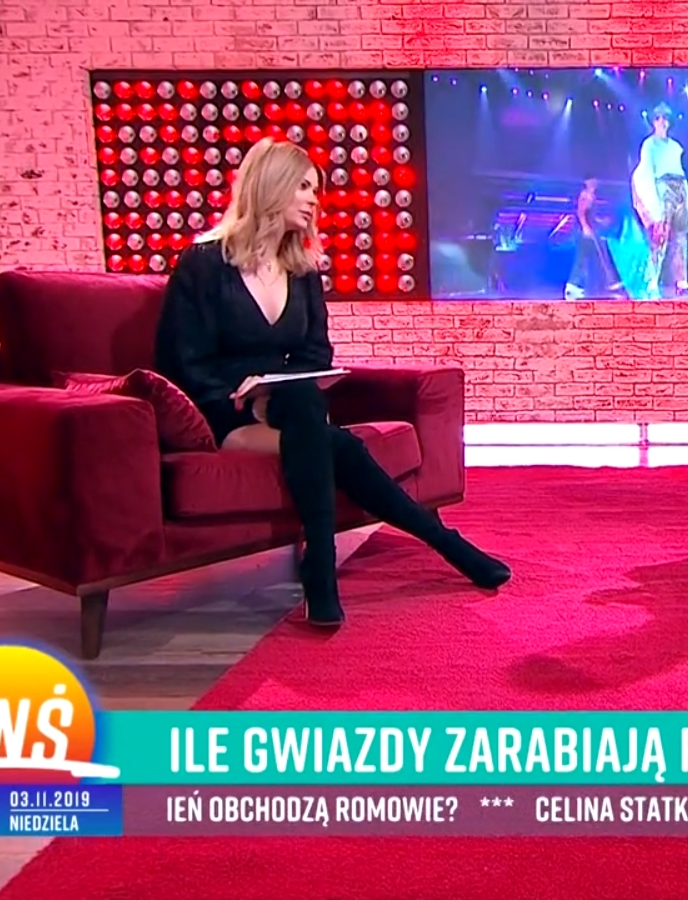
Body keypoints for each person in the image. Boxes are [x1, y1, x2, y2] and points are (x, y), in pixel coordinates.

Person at [154, 138, 512, 628]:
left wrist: (272, 391)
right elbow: (179, 360)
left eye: (315, 190)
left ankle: (320, 567)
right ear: (272, 185)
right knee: (332, 443)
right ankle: (441, 544)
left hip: (285, 405)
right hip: (226, 411)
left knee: (303, 397)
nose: (313, 200)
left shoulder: (301, 270)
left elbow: (315, 354)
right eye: (303, 187)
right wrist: (246, 396)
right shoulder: (204, 264)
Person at [631, 103, 688, 298]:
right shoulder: (649, 144)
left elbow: (681, 172)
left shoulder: (675, 147)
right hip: (663, 187)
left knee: (681, 237)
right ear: (654, 121)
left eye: (666, 118)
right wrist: (653, 205)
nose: (663, 122)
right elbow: (646, 172)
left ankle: (681, 281)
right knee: (660, 236)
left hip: (679, 187)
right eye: (659, 118)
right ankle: (651, 281)